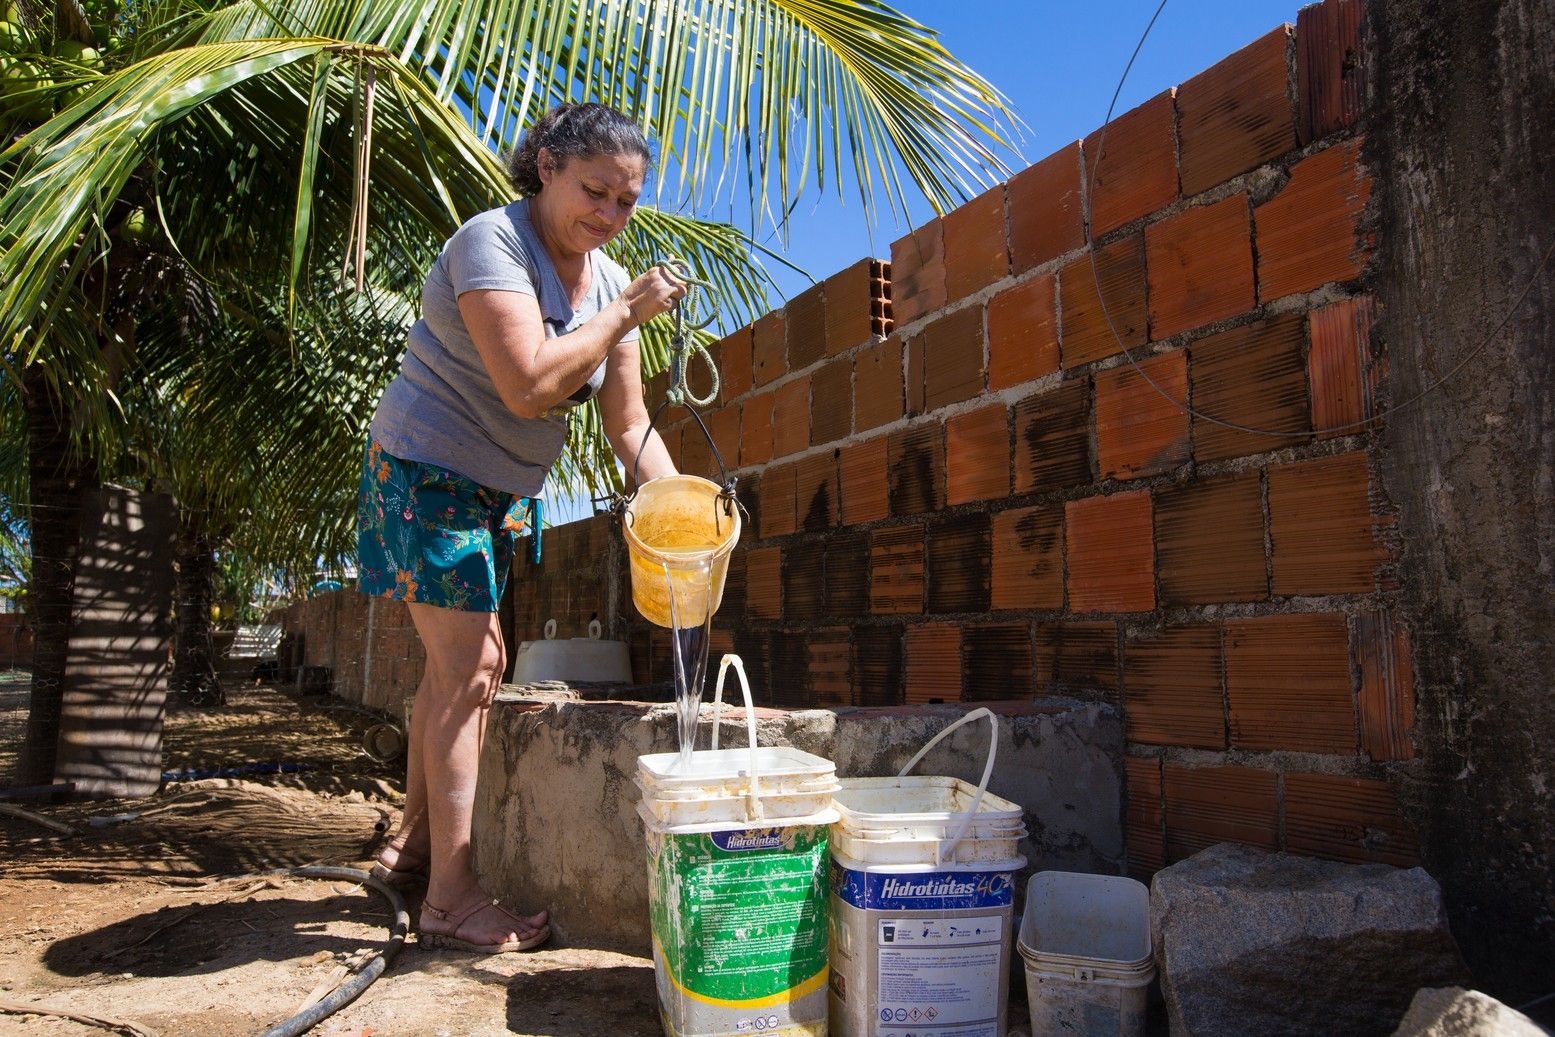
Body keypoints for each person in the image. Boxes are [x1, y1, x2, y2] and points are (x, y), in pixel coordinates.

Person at [356, 102, 685, 953]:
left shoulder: (609, 285)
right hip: (425, 469)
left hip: (497, 489)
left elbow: (627, 424)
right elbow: (530, 386)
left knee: (464, 664)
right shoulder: (490, 245)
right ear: (545, 167)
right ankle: (450, 897)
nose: (609, 217)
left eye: (626, 201)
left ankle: (410, 846)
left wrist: (679, 507)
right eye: (594, 192)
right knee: (471, 669)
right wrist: (623, 317)